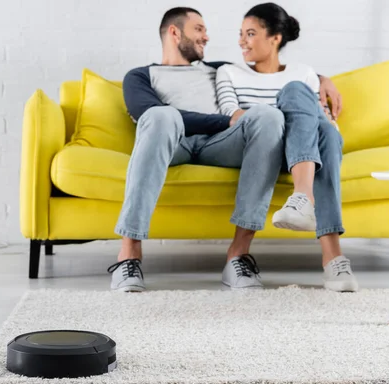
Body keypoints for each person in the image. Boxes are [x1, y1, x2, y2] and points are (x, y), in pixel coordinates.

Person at [107, 7, 344, 292]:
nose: (206, 37)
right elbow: (145, 112)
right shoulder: (140, 76)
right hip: (172, 143)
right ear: (174, 32)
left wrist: (321, 80)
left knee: (267, 116)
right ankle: (129, 254)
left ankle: (238, 255)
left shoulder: (221, 69)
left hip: (218, 145)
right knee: (161, 115)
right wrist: (226, 119)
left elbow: (269, 66)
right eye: (199, 29)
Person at [215, 2, 359, 292]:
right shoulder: (228, 72)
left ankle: (307, 212)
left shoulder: (303, 72)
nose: (241, 41)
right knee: (301, 111)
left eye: (251, 33)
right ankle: (329, 250)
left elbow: (323, 122)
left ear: (275, 38)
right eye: (241, 33)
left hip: (302, 149)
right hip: (260, 145)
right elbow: (233, 116)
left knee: (326, 133)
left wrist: (318, 82)